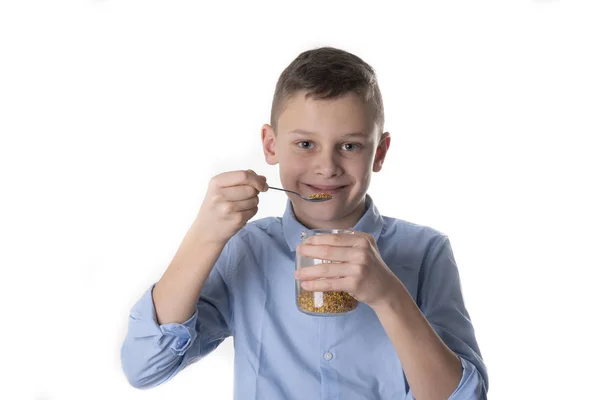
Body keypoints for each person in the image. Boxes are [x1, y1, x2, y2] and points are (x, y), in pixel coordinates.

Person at [120, 46, 488, 400]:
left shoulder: (425, 252)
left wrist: (389, 297)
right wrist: (204, 236)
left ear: (379, 153)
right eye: (306, 145)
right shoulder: (247, 249)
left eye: (349, 146)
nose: (327, 167)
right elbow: (144, 367)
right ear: (270, 145)